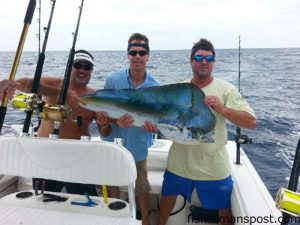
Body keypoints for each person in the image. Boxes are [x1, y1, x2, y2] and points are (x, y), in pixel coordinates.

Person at [157, 39, 257, 225]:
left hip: (213, 167)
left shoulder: (226, 89)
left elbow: (251, 122)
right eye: (199, 57)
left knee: (223, 209)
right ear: (191, 60)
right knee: (167, 199)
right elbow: (163, 119)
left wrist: (223, 109)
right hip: (179, 164)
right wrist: (151, 125)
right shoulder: (179, 89)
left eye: (209, 58)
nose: (204, 61)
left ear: (213, 62)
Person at [96, 33, 159, 225]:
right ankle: (116, 218)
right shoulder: (113, 80)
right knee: (113, 180)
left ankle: (146, 220)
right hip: (114, 142)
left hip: (139, 143)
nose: (137, 56)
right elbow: (104, 114)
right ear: (128, 55)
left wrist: (152, 128)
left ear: (148, 56)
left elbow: (155, 120)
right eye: (133, 52)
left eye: (142, 52)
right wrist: (115, 122)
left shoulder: (155, 87)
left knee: (141, 186)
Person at [16, 49, 98, 196]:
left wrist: (105, 125)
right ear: (69, 67)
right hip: (46, 156)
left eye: (87, 67)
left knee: (86, 204)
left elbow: (106, 130)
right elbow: (20, 84)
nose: (82, 70)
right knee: (45, 202)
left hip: (79, 158)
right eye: (78, 65)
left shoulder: (95, 96)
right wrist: (61, 93)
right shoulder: (51, 83)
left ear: (92, 71)